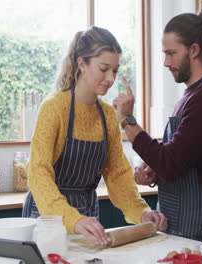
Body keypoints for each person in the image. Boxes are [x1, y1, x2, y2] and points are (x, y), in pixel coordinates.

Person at [23, 26, 167, 246]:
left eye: (115, 71)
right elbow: (38, 173)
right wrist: (72, 219)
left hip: (89, 219)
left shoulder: (108, 115)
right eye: (104, 68)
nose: (110, 78)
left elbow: (117, 174)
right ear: (82, 64)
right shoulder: (54, 108)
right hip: (48, 219)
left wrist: (142, 212)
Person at [113, 7, 202, 241]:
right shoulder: (191, 96)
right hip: (175, 227)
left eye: (171, 53)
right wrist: (154, 172)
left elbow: (171, 163)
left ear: (194, 50)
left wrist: (128, 121)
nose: (166, 62)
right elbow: (180, 160)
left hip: (196, 232)